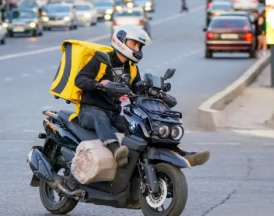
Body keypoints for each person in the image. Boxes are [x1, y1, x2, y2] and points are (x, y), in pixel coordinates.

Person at [74, 24, 209, 167]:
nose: (137, 49)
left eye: (139, 46)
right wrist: (99, 85)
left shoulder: (132, 68)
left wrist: (154, 92)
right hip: (89, 111)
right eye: (134, 44)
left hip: (113, 113)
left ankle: (179, 153)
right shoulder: (101, 60)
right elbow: (80, 79)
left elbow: (136, 90)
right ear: (121, 41)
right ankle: (116, 150)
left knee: (139, 126)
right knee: (100, 118)